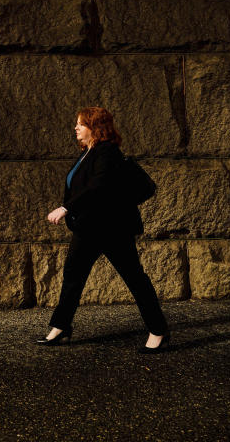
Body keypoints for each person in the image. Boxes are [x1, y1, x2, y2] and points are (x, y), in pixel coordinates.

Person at [37, 106, 170, 354]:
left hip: (112, 230)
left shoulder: (107, 152)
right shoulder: (87, 154)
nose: (76, 128)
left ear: (95, 128)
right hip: (87, 229)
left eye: (81, 124)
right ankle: (60, 326)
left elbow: (98, 186)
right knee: (72, 278)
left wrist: (66, 208)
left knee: (135, 279)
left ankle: (158, 330)